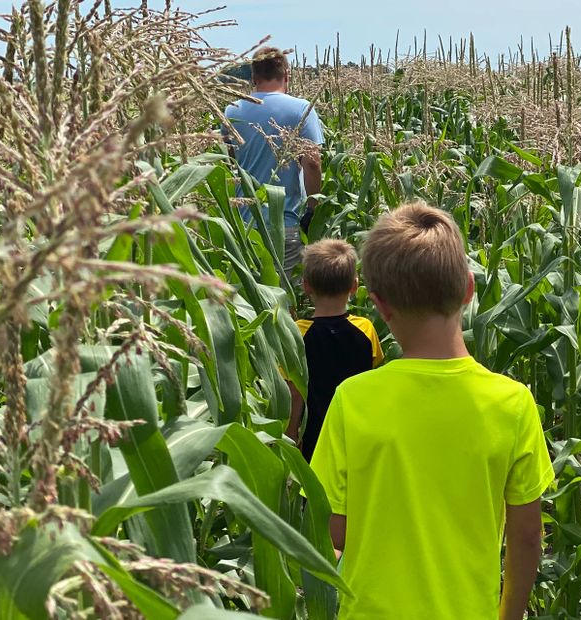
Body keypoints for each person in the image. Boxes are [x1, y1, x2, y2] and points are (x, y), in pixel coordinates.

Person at [311, 202, 554, 619]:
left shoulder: (352, 399)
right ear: (468, 290)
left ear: (380, 306)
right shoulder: (512, 403)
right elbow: (527, 537)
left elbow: (332, 532)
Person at [223, 46, 324, 277]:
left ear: (253, 77)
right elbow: (312, 163)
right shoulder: (300, 109)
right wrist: (312, 209)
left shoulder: (231, 110)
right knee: (283, 300)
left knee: (250, 301)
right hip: (284, 223)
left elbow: (231, 163)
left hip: (245, 225)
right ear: (286, 75)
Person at [284, 239, 383, 461]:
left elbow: (295, 391)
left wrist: (291, 432)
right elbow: (374, 379)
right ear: (354, 286)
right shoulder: (365, 329)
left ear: (306, 285)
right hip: (358, 431)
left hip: (315, 436)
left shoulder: (298, 335)